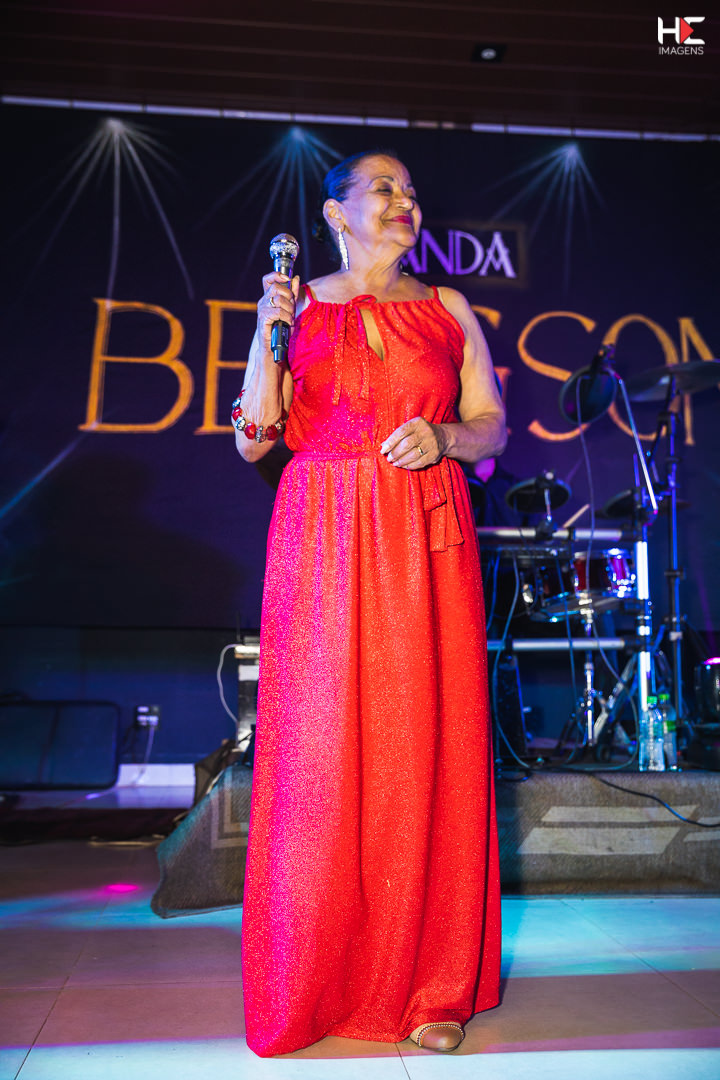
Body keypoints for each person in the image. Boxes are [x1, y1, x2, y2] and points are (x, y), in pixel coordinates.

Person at [235, 151, 506, 1057]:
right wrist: (268, 337)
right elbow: (253, 440)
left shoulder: (448, 308)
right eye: (384, 189)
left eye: (412, 192)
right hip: (321, 532)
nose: (404, 202)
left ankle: (431, 986)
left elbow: (492, 427)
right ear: (334, 212)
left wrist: (446, 437)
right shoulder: (294, 305)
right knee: (318, 757)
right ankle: (311, 983)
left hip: (425, 535)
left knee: (422, 745)